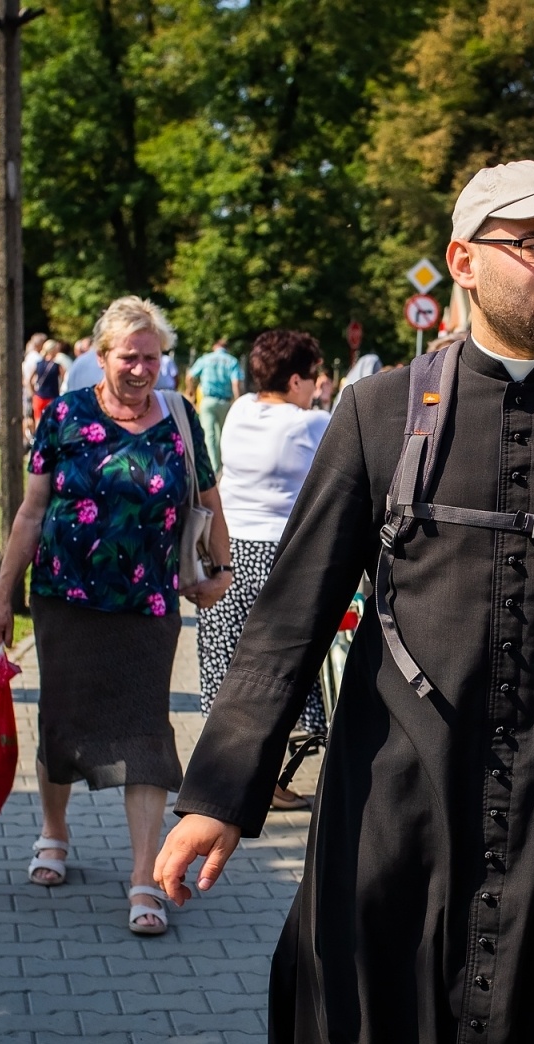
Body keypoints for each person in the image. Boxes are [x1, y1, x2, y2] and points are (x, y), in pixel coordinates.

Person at [156, 160, 534, 1044]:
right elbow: (290, 617)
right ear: (463, 261)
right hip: (391, 810)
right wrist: (220, 792)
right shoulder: (377, 413)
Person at [0, 296, 233, 937]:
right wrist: (2, 597)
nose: (142, 369)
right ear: (101, 357)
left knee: (147, 735)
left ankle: (143, 878)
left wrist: (222, 570)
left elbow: (208, 499)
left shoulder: (178, 420)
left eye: (152, 358)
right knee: (62, 720)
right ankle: (53, 830)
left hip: (148, 605)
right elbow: (31, 512)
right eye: (130, 357)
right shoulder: (64, 416)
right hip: (66, 599)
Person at [193, 330, 331, 812]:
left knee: (229, 666)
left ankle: (221, 781)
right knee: (276, 672)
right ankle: (262, 783)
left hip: (228, 550)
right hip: (280, 557)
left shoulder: (239, 411)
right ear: (296, 379)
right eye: (313, 377)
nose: (317, 386)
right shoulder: (310, 425)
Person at [185, 337, 243, 469]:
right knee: (224, 434)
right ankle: (223, 465)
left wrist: (190, 391)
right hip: (225, 402)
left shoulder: (206, 359)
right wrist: (238, 401)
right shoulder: (232, 361)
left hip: (208, 400)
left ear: (214, 347)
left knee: (209, 434)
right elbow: (236, 383)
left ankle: (213, 466)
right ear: (227, 348)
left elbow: (190, 376)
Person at [30, 339, 65, 424]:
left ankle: (38, 437)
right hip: (52, 397)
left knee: (38, 422)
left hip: (39, 396)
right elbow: (64, 378)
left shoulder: (38, 364)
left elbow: (30, 380)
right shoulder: (57, 366)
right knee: (52, 422)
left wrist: (33, 393)